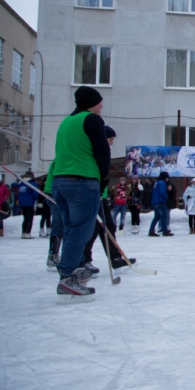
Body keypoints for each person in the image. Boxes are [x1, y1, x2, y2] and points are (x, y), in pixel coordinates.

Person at [51, 86, 110, 301]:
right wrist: (104, 178)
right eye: (99, 102)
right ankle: (67, 276)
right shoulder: (92, 120)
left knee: (71, 228)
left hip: (60, 180)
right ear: (91, 102)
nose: (102, 106)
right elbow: (102, 151)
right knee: (82, 230)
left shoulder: (66, 122)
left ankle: (72, 269)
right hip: (82, 180)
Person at [80, 125, 136, 274]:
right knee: (93, 228)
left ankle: (115, 257)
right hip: (93, 195)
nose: (111, 143)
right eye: (110, 139)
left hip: (102, 196)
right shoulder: (93, 151)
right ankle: (84, 259)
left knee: (109, 227)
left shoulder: (104, 151)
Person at [43, 161, 62, 271]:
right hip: (54, 193)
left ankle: (56, 255)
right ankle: (52, 255)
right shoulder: (59, 160)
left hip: (58, 192)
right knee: (59, 224)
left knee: (63, 225)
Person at [148, 171, 174, 237]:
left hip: (155, 202)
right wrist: (166, 198)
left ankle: (151, 230)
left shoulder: (157, 182)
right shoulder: (162, 183)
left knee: (156, 217)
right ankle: (165, 231)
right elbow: (162, 192)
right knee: (164, 217)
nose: (167, 179)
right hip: (161, 202)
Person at [17, 170, 39, 239]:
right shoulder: (33, 183)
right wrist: (35, 199)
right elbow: (35, 194)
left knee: (25, 218)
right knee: (30, 218)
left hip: (22, 203)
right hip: (29, 203)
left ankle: (23, 233)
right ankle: (28, 233)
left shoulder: (21, 183)